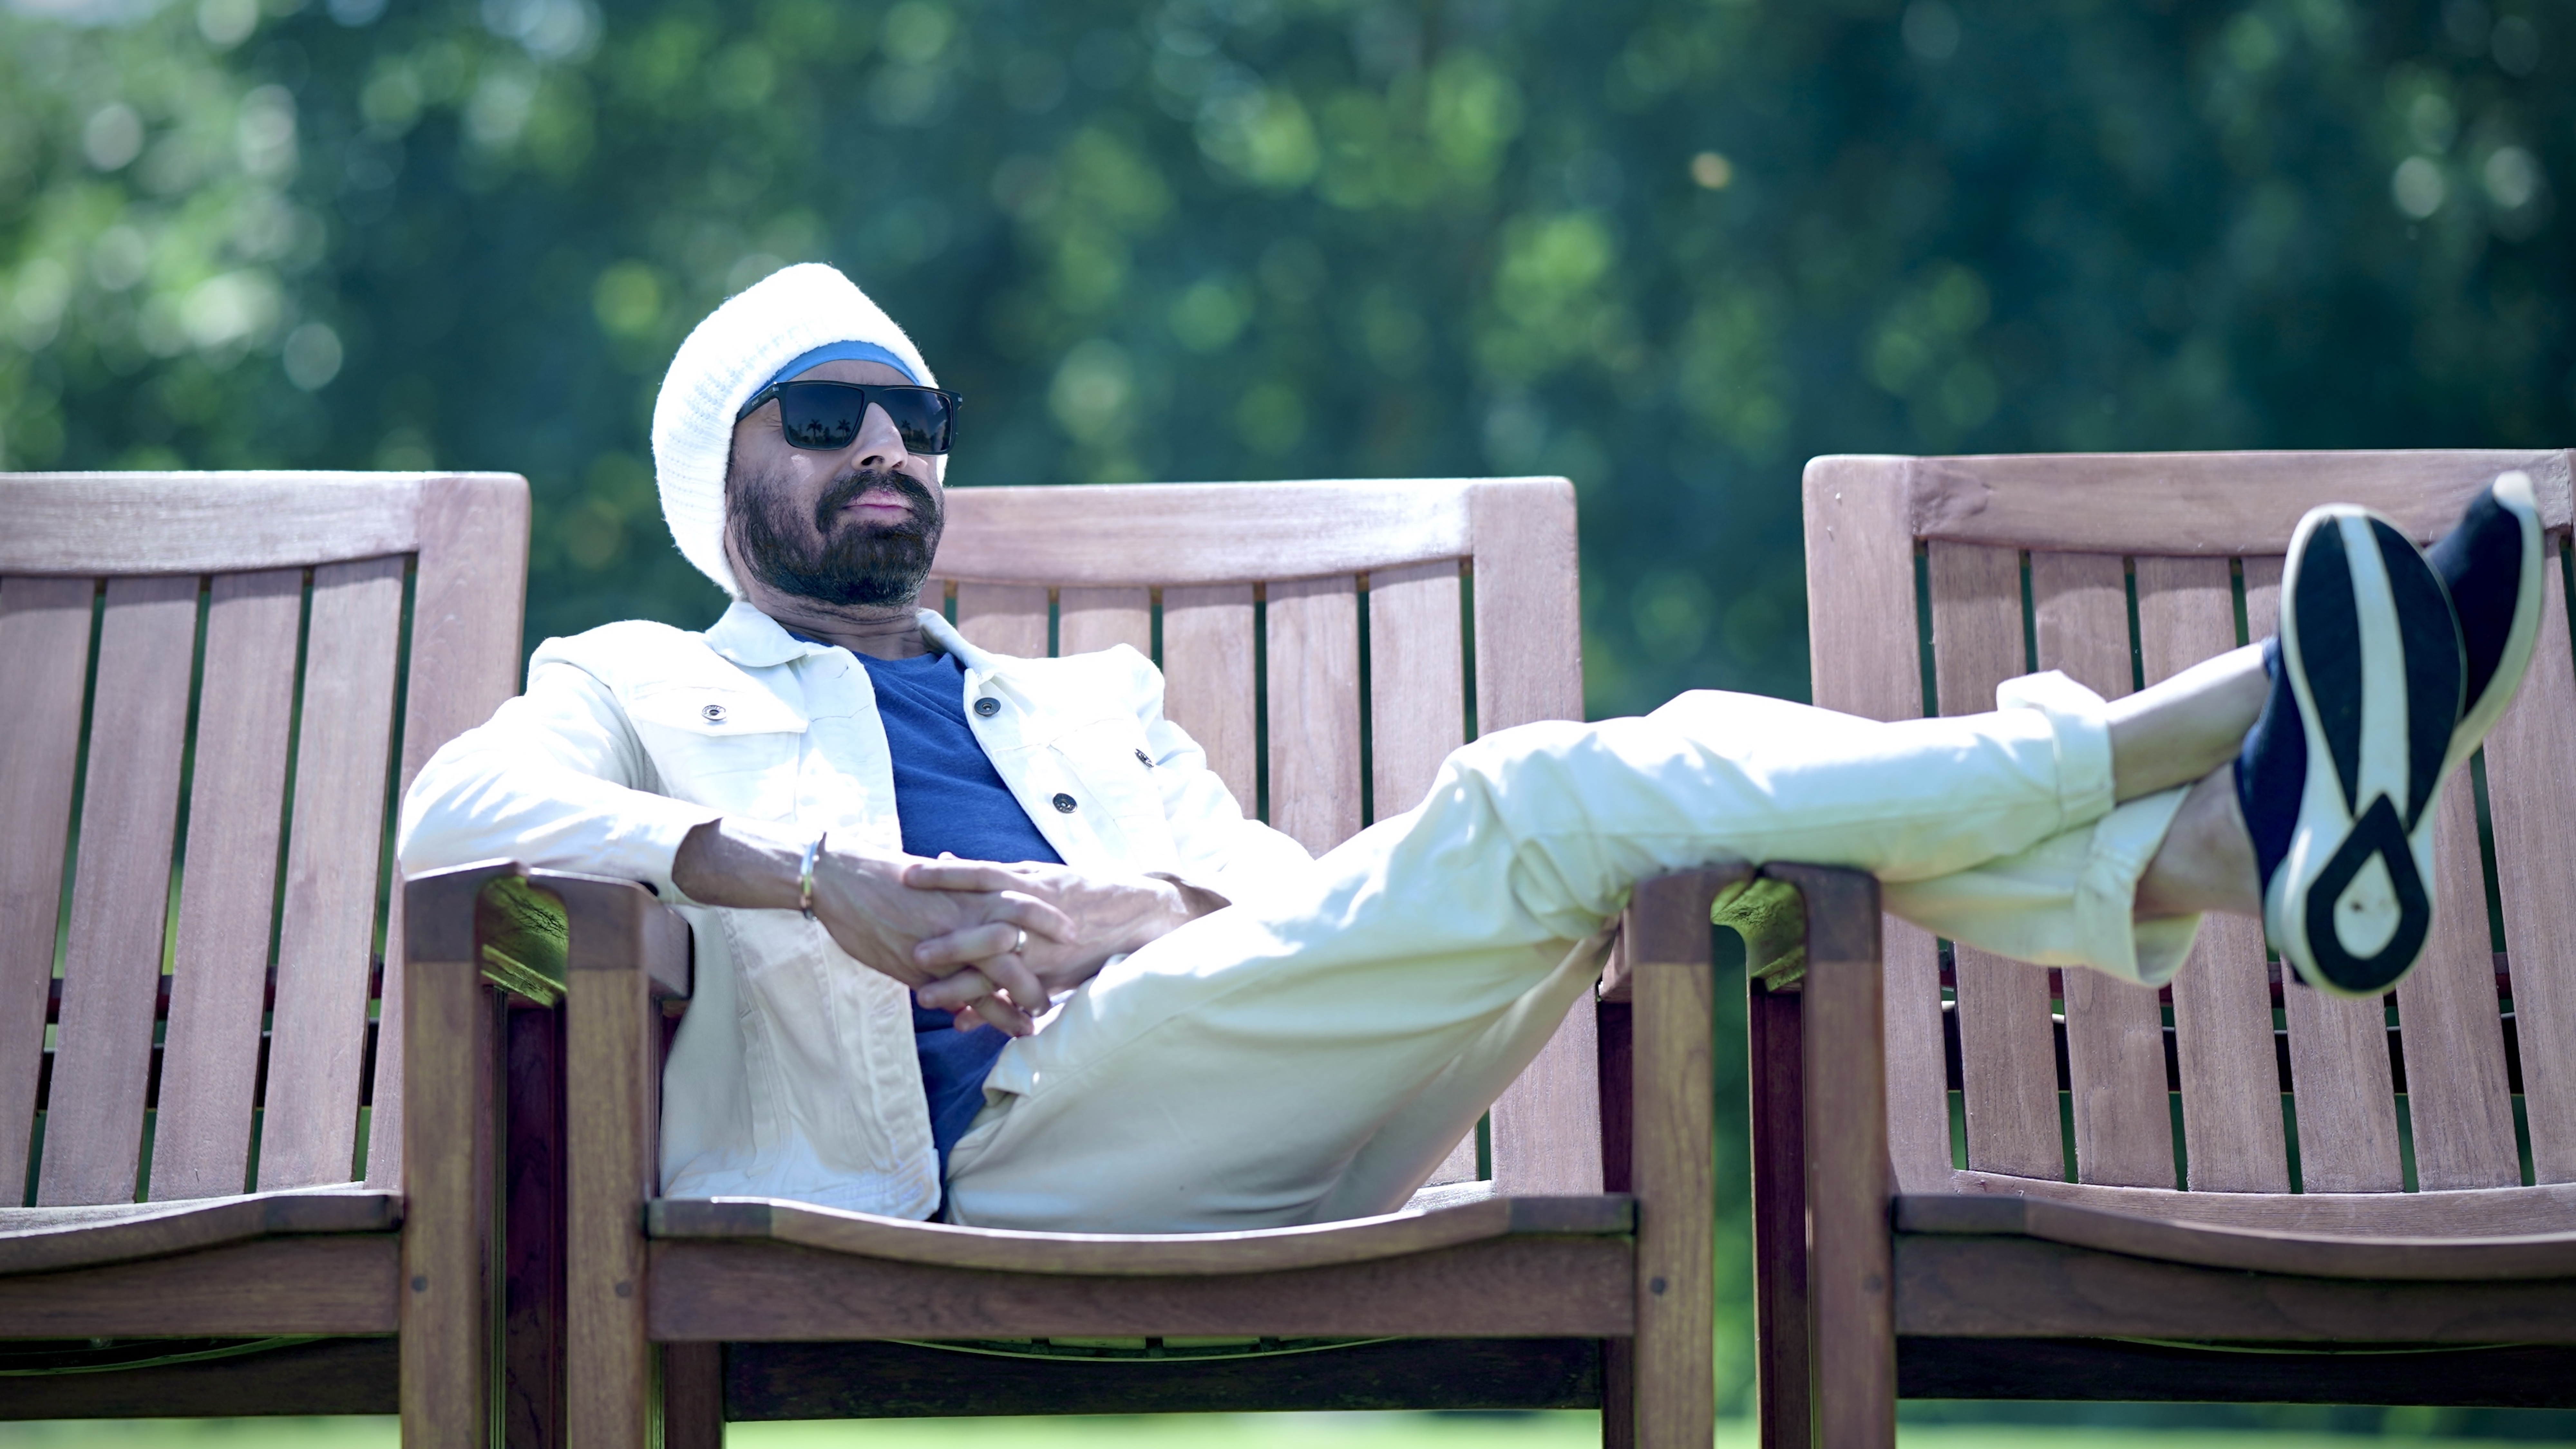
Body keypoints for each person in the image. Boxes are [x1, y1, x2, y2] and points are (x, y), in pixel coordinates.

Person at [398, 263, 2544, 1234]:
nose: (891, 446)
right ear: (722, 471)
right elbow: (453, 810)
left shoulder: (1076, 707)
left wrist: (1118, 904)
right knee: (1560, 795)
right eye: (830, 413)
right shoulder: (633, 677)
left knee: (1596, 792)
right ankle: (2224, 769)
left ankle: (2239, 781)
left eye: (922, 418)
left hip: (1209, 1082)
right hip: (941, 1174)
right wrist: (814, 884)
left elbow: (1270, 887)